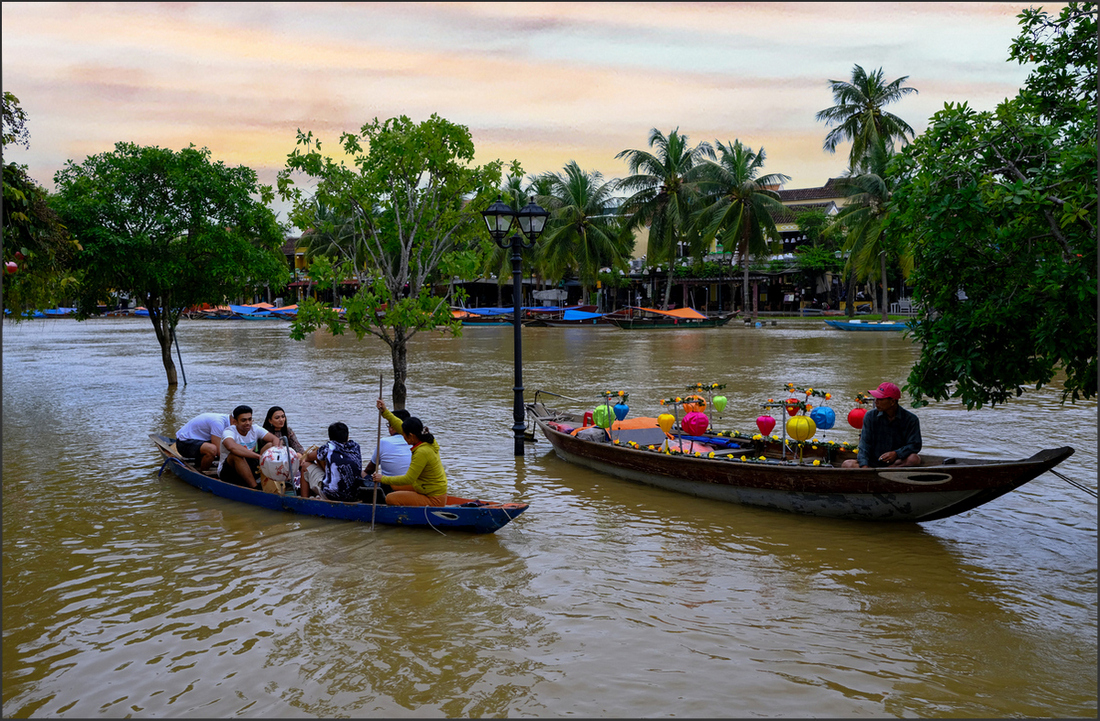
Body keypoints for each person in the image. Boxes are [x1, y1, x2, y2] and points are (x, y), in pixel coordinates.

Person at [373, 404, 448, 507]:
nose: (402, 436)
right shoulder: (426, 439)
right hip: (426, 487)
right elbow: (400, 425)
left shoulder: (422, 452)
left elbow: (408, 479)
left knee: (390, 498)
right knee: (394, 485)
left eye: (404, 435)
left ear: (411, 436)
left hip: (433, 498)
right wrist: (385, 412)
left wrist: (382, 478)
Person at [842, 382, 922, 468]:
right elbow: (864, 444)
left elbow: (915, 445)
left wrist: (896, 453)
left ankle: (890, 470)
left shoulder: (911, 419)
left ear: (892, 402)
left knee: (914, 459)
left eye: (880, 399)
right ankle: (873, 472)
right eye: (876, 398)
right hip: (873, 461)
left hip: (897, 462)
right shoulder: (870, 416)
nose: (876, 402)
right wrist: (864, 466)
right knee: (847, 464)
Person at [219, 405, 282, 489]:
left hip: (250, 466)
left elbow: (275, 439)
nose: (248, 423)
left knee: (270, 446)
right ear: (235, 422)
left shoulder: (255, 429)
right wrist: (259, 457)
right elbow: (232, 447)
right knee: (236, 454)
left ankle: (269, 479)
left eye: (250, 419)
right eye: (243, 420)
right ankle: (255, 487)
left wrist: (274, 453)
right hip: (230, 471)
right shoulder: (229, 431)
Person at [299, 422, 363, 502]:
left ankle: (303, 501)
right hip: (354, 494)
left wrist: (305, 460)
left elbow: (309, 457)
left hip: (332, 495)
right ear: (347, 436)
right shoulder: (355, 446)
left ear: (330, 437)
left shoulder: (329, 447)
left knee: (305, 466)